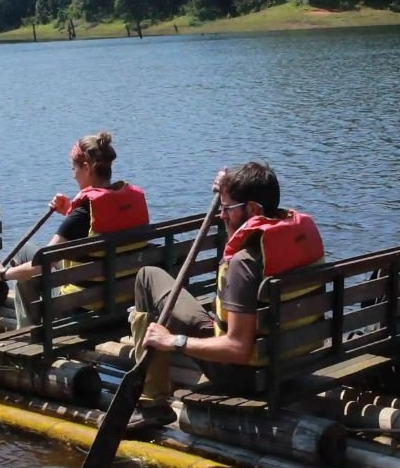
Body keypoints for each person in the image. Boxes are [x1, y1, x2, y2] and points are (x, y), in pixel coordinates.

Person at [0, 131, 149, 397]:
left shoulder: (83, 212)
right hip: (123, 303)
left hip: (81, 310)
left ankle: (27, 340)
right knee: (34, 256)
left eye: (74, 169)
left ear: (87, 168)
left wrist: (3, 274)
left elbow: (42, 263)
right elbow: (99, 227)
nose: (73, 175)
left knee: (26, 257)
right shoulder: (130, 198)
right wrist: (68, 211)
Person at [128, 161, 325, 432]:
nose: (221, 216)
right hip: (294, 360)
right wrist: (227, 189)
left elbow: (238, 349)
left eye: (227, 209)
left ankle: (151, 404)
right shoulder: (296, 235)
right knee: (166, 285)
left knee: (147, 277)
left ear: (254, 209)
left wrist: (172, 340)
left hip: (241, 374)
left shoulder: (243, 264)